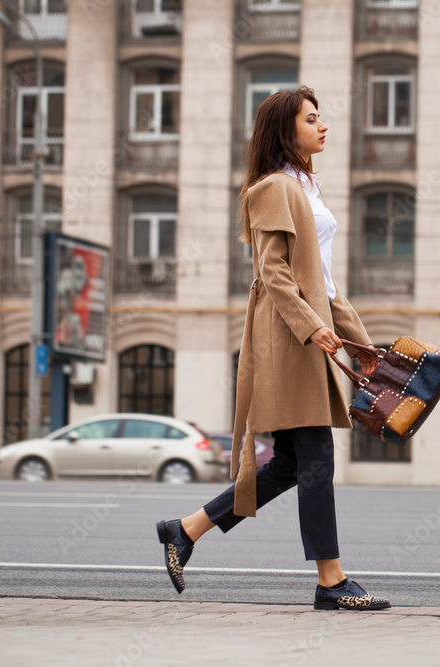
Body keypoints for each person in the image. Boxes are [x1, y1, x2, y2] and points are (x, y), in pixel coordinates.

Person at [156, 86, 390, 611]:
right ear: (287, 133)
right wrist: (313, 328)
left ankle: (185, 530)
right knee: (315, 460)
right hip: (286, 339)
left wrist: (361, 343)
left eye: (321, 117)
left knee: (289, 464)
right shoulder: (272, 188)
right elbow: (274, 274)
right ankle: (331, 582)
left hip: (307, 334)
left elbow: (325, 281)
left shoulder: (308, 188)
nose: (323, 125)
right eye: (312, 120)